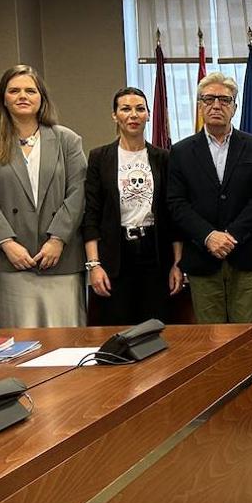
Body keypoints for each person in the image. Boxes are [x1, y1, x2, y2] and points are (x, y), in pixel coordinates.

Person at [0, 65, 87, 329]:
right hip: (7, 260)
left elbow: (78, 192)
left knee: (64, 339)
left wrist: (57, 240)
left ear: (41, 98)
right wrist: (8, 244)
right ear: (3, 98)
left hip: (60, 257)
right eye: (14, 90)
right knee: (18, 342)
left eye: (30, 90)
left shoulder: (67, 140)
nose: (23, 96)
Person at [167, 71, 252, 326]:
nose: (216, 105)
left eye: (224, 100)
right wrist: (209, 236)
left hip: (244, 255)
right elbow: (176, 203)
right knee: (211, 340)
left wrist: (231, 236)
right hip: (202, 258)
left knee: (244, 336)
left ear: (234, 107)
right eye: (209, 99)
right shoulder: (181, 151)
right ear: (200, 105)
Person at [83, 87, 184, 326]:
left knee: (157, 329)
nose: (133, 115)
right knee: (118, 329)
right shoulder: (100, 157)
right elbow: (91, 215)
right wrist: (94, 265)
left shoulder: (164, 158)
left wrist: (177, 264)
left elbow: (173, 217)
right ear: (114, 115)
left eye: (140, 109)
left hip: (155, 254)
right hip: (115, 255)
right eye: (125, 109)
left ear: (148, 114)